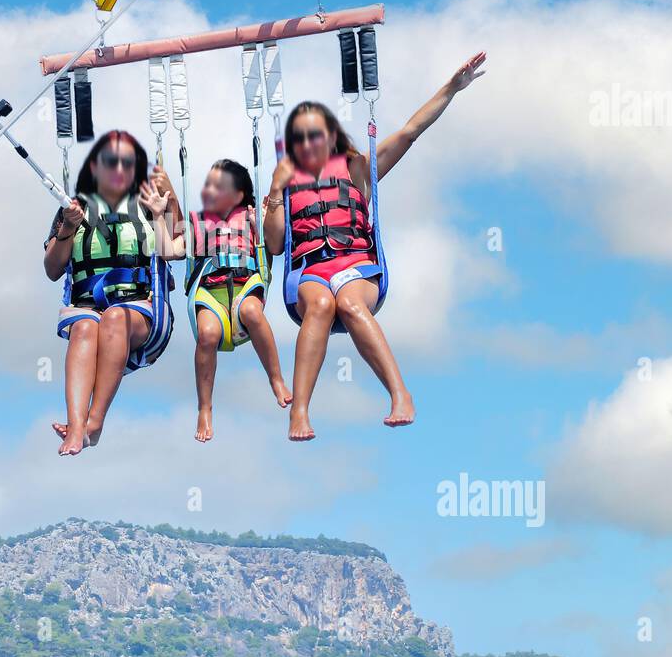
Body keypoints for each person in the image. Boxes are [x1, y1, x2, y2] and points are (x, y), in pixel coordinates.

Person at [263, 52, 486, 441]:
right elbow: (275, 243)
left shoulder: (358, 168)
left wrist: (451, 88)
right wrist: (275, 190)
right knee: (319, 304)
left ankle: (401, 395)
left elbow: (410, 131)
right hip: (311, 271)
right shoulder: (287, 185)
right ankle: (299, 412)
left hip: (356, 267)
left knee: (348, 304)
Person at [44, 130, 184, 456]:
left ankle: (95, 422)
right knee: (84, 327)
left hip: (140, 311)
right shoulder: (73, 209)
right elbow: (52, 269)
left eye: (128, 162)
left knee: (115, 317)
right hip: (86, 307)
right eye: (111, 161)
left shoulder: (151, 204)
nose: (119, 167)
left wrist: (169, 199)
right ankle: (76, 426)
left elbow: (179, 245)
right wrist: (67, 228)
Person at [186, 159, 291, 441]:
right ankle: (205, 408)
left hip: (247, 283)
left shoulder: (253, 215)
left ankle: (276, 379)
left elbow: (275, 246)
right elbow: (171, 248)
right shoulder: (199, 221)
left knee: (253, 313)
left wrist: (265, 220)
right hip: (210, 288)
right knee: (207, 336)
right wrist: (162, 215)